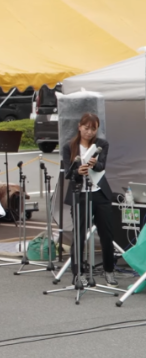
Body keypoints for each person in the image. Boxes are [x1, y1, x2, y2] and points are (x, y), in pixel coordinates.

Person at [61, 113, 118, 285]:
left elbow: (102, 166)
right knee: (79, 235)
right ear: (79, 126)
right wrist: (78, 172)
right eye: (86, 128)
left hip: (100, 193)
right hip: (80, 194)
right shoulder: (69, 146)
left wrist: (94, 163)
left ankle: (109, 270)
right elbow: (68, 173)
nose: (89, 132)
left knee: (106, 234)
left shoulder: (101, 144)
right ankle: (78, 273)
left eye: (93, 129)